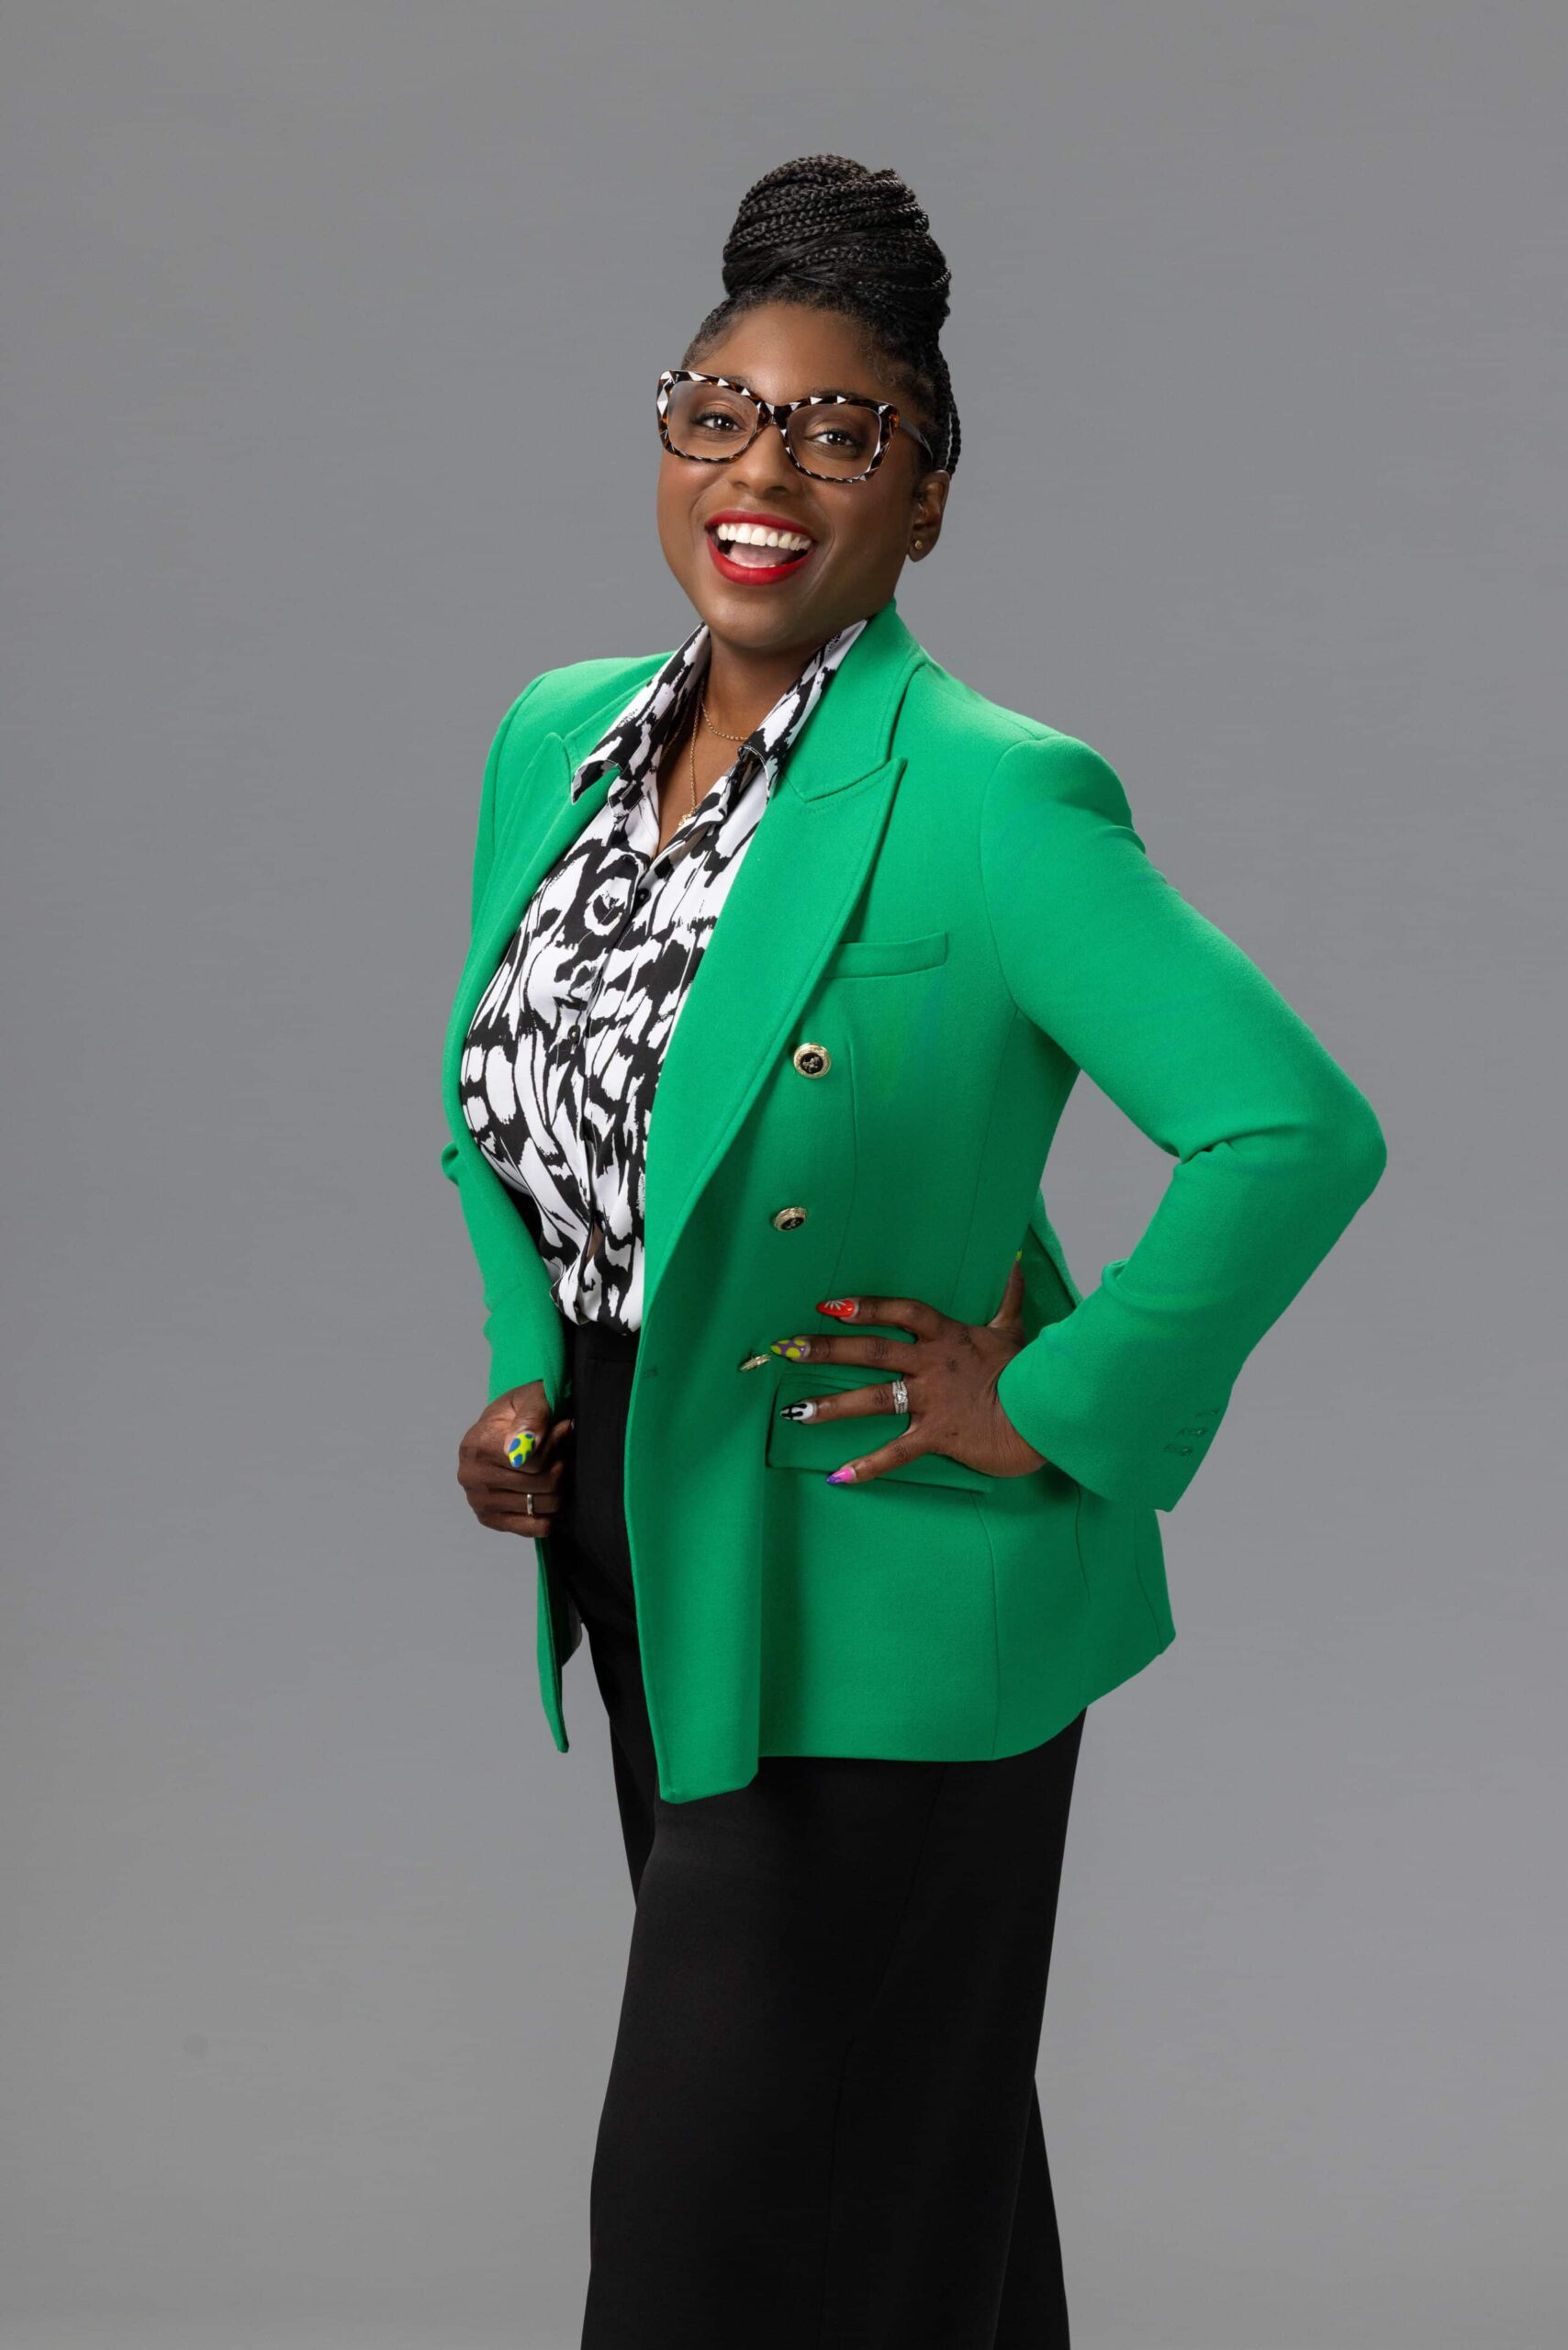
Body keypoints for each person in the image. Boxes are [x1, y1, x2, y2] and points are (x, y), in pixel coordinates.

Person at [437, 153, 1386, 2350]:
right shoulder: (551, 743)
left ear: (929, 496)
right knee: (901, 2180)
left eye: (837, 428)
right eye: (718, 407)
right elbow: (509, 1100)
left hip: (877, 1578)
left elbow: (1290, 1129)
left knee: (717, 2240)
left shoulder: (989, 790)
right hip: (649, 1558)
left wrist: (1047, 1399)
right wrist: (528, 1376)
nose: (762, 468)